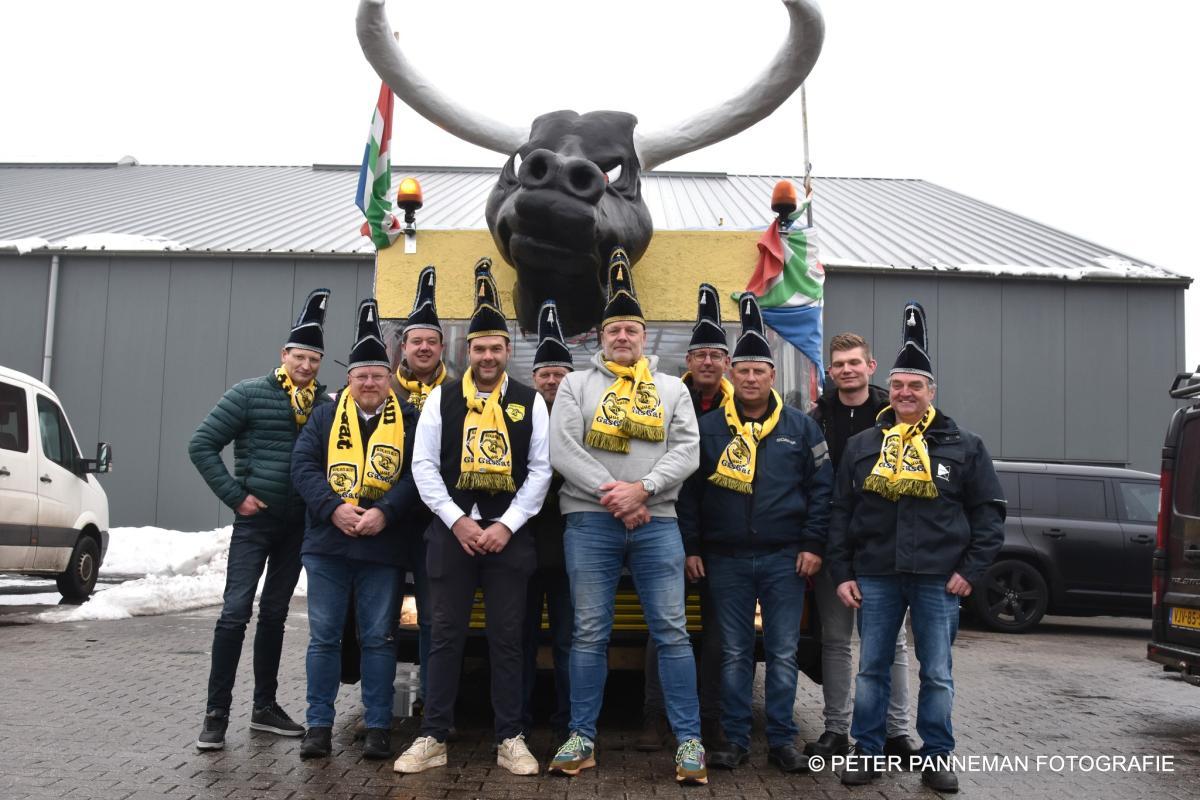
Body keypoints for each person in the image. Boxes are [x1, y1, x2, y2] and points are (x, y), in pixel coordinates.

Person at [827, 302, 1005, 793]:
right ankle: (867, 752)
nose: (906, 393)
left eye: (916, 386)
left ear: (931, 391)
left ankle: (937, 756)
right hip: (877, 575)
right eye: (899, 385)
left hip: (938, 579)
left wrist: (971, 570)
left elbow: (988, 515)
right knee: (871, 670)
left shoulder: (963, 445)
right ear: (890, 388)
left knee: (938, 673)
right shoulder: (864, 446)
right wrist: (843, 572)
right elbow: (841, 513)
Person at [547, 248, 706, 785]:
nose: (621, 337)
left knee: (672, 632)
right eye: (613, 329)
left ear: (643, 337)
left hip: (657, 522)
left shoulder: (672, 389)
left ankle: (689, 742)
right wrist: (617, 496)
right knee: (589, 632)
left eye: (630, 330)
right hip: (590, 522)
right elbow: (563, 449)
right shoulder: (575, 385)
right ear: (600, 337)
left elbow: (688, 452)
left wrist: (644, 490)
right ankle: (581, 738)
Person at [394, 258, 551, 776]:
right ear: (468, 352)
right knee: (444, 636)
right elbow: (422, 465)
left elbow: (541, 470)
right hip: (451, 535)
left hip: (510, 537)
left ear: (508, 351)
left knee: (508, 640)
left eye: (496, 348)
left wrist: (506, 525)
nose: (487, 356)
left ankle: (511, 738)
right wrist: (457, 520)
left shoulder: (530, 401)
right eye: (479, 348)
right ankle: (433, 736)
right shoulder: (442, 400)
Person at [679, 293, 833, 773]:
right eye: (742, 370)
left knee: (783, 653)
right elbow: (689, 495)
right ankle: (734, 739)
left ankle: (783, 741)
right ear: (732, 373)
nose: (749, 378)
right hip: (724, 559)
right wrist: (692, 547)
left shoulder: (802, 429)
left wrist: (812, 544)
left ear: (771, 376)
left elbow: (822, 490)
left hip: (785, 559)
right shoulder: (707, 428)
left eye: (758, 371)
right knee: (732, 652)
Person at [189, 289, 330, 751]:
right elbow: (201, 445)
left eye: (314, 359)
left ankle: (264, 708)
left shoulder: (326, 405)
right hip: (256, 523)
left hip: (298, 527)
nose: (306, 365)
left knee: (274, 614)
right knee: (235, 613)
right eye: (299, 356)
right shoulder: (248, 394)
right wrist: (236, 497)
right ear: (284, 354)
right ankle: (215, 715)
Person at [289, 298, 420, 761]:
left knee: (379, 638)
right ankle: (318, 726)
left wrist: (384, 512)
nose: (369, 383)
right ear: (349, 379)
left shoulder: (408, 419)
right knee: (324, 637)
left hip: (383, 548)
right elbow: (303, 467)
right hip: (328, 546)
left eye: (377, 376)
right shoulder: (323, 416)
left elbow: (417, 475)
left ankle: (379, 726)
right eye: (361, 375)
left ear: (389, 379)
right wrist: (333, 509)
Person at [804, 332, 917, 760]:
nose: (847, 370)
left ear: (871, 367)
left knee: (892, 644)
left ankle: (896, 732)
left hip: (884, 550)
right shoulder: (816, 419)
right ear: (830, 372)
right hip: (833, 545)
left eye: (855, 362)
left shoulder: (897, 416)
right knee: (835, 641)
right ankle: (836, 729)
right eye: (839, 364)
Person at [640, 283, 729, 751]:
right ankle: (655, 718)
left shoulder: (741, 409)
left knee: (717, 637)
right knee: (664, 628)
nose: (708, 362)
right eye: (700, 355)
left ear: (726, 362)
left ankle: (710, 719)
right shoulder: (666, 397)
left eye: (716, 355)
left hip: (722, 538)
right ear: (688, 361)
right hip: (667, 526)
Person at [391, 265, 447, 710]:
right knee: (380, 623)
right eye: (416, 341)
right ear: (404, 347)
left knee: (434, 619)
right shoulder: (379, 388)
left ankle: (432, 703)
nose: (424, 347)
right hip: (389, 523)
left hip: (436, 524)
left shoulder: (459, 391)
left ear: (442, 348)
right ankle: (378, 710)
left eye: (431, 341)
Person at [520, 300, 575, 741]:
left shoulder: (586, 417)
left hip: (572, 549)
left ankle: (569, 721)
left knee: (569, 642)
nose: (552, 380)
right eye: (545, 374)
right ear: (534, 377)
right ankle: (516, 720)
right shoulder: (517, 417)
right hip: (523, 548)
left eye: (559, 373)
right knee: (518, 640)